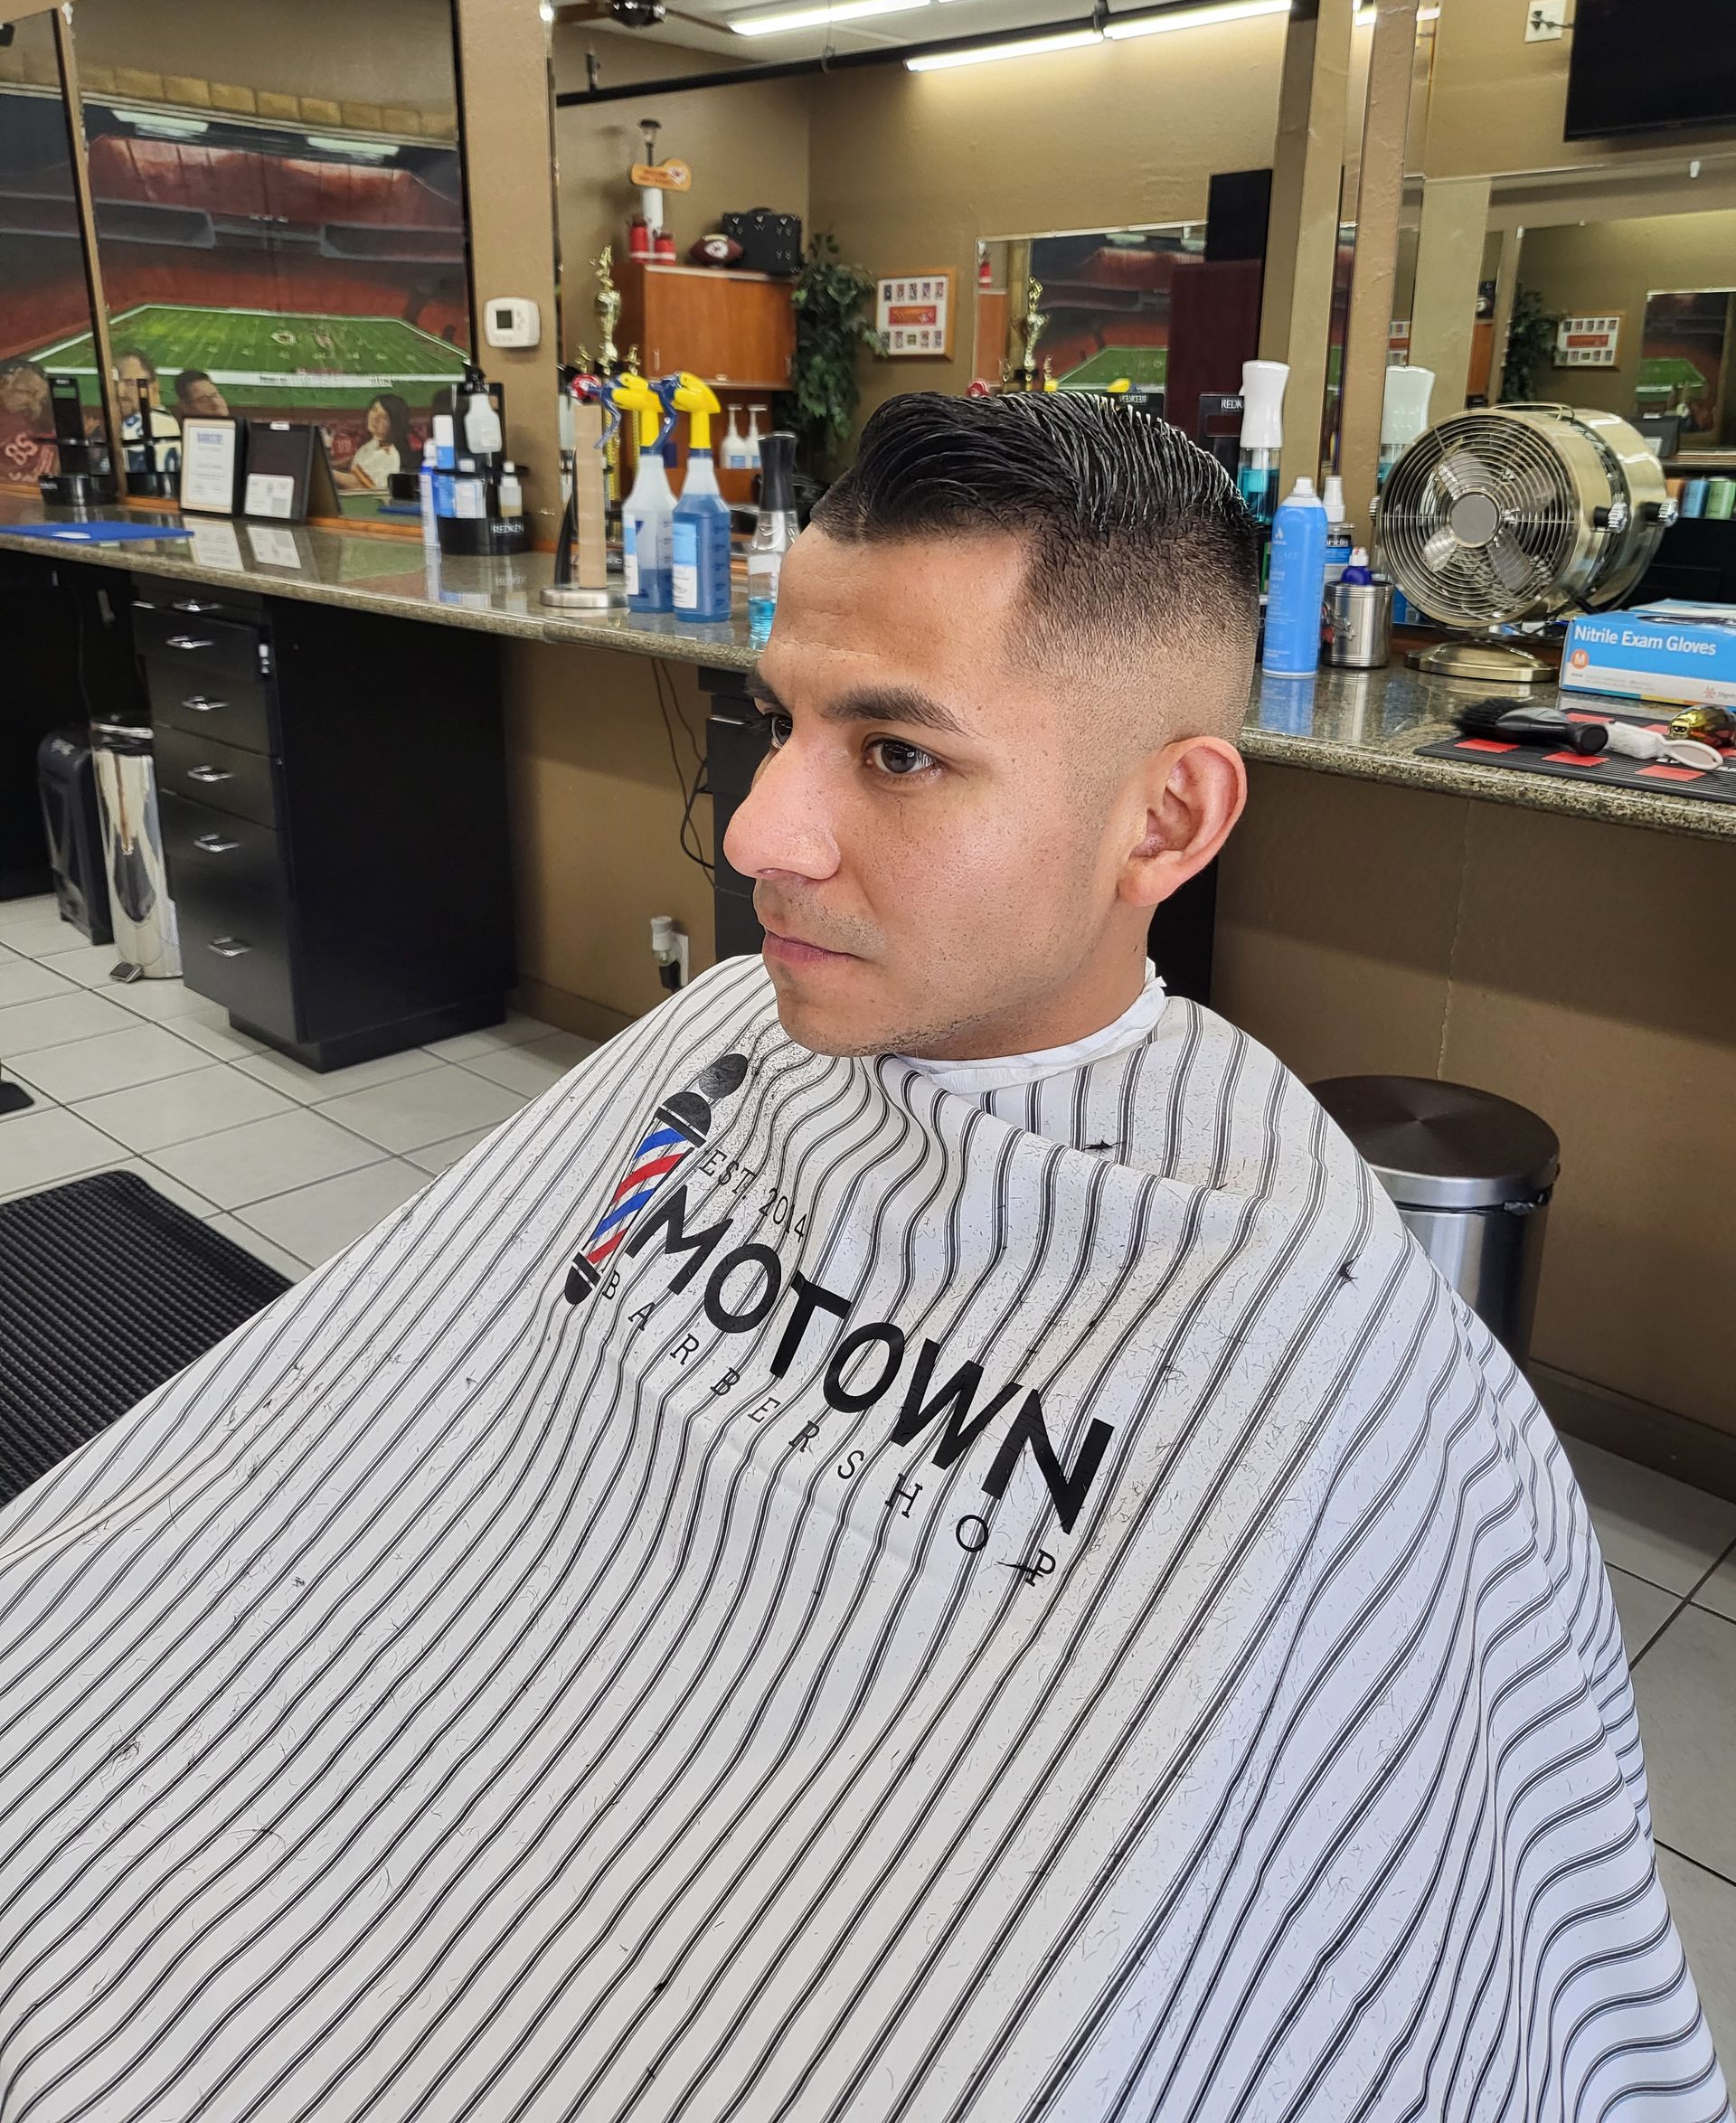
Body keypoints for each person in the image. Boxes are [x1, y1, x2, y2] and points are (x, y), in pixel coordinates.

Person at [0, 394, 1724, 2123]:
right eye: (779, 725)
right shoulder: (729, 1041)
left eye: (898, 754)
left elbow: (1422, 1959)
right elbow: (370, 1438)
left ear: (1171, 823)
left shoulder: (1317, 1336)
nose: (760, 838)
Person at [112, 345, 180, 468]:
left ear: (154, 387)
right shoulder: (167, 421)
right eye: (115, 384)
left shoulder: (138, 427)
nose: (120, 392)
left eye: (130, 383)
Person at [335, 390, 412, 493]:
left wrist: (327, 471)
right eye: (374, 410)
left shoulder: (387, 453)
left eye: (384, 417)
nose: (375, 418)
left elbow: (358, 484)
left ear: (394, 424)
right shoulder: (371, 445)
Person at [0, 355, 57, 483]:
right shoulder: (9, 424)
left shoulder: (27, 421)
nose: (35, 407)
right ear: (2, 384)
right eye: (29, 392)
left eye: (41, 400)